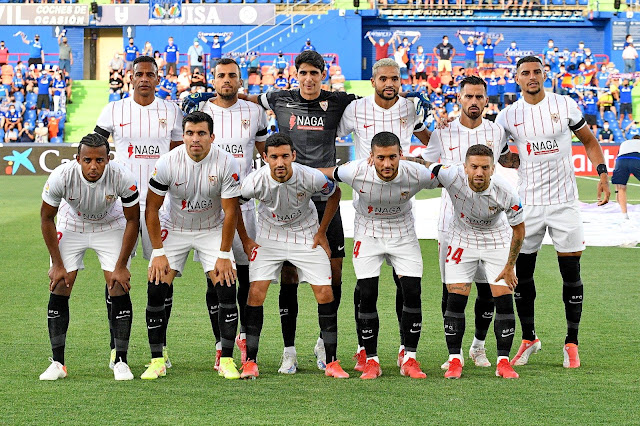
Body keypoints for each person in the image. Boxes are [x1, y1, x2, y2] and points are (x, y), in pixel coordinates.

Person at [238, 50, 358, 372]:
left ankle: (323, 343)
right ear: (296, 74)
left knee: (334, 275)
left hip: (319, 191)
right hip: (287, 193)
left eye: (314, 73)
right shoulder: (278, 98)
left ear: (323, 74)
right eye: (303, 73)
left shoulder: (338, 101)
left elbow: (375, 101)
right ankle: (288, 351)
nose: (308, 79)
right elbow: (242, 97)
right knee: (288, 274)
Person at [496, 56, 611, 369]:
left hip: (564, 202)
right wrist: (511, 161)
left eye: (537, 72)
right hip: (529, 204)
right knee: (523, 275)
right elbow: (497, 152)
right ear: (516, 78)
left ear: (544, 75)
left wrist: (602, 173)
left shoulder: (565, 105)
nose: (532, 77)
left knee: (571, 274)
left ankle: (571, 342)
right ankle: (529, 337)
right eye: (525, 73)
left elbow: (588, 140)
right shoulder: (507, 116)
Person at [336, 58, 431, 369]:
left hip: (400, 199)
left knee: (406, 284)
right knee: (366, 287)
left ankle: (406, 348)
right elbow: (330, 134)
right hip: (367, 200)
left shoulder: (410, 108)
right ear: (373, 81)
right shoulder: (356, 109)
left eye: (395, 79)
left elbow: (428, 139)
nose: (389, 84)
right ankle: (366, 349)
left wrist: (429, 152)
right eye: (383, 79)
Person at [319, 131, 438, 379]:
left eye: (392, 157)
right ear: (371, 157)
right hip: (368, 233)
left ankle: (410, 358)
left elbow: (450, 176)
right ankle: (371, 359)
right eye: (381, 157)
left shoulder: (416, 173)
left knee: (412, 292)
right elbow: (325, 173)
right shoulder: (354, 170)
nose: (387, 164)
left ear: (401, 155)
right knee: (367, 294)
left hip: (403, 234)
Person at [420, 75, 517, 371]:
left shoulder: (496, 131)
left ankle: (478, 345)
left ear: (486, 100)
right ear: (459, 99)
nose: (473, 102)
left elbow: (505, 161)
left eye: (479, 97)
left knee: (489, 289)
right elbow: (428, 168)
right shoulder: (443, 132)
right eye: (468, 97)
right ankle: (455, 353)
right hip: (451, 224)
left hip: (489, 224)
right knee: (452, 289)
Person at [95, 55, 183, 371]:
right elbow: (94, 147)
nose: (144, 78)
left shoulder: (171, 110)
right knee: (116, 277)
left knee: (161, 279)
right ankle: (116, 349)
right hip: (122, 206)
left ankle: (159, 348)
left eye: (150, 74)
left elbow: (178, 155)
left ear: (158, 79)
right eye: (139, 74)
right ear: (131, 78)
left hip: (161, 206)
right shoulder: (114, 110)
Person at [238, 132, 348, 379]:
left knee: (325, 292)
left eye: (285, 156)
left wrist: (321, 232)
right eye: (274, 157)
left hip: (305, 236)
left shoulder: (309, 175)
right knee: (256, 292)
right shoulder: (254, 181)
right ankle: (251, 362)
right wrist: (246, 239)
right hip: (270, 237)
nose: (280, 162)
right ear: (264, 157)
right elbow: (234, 203)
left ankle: (332, 362)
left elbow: (335, 193)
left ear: (293, 156)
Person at [142, 111, 242, 380]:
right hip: (174, 228)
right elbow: (151, 209)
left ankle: (227, 359)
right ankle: (156, 359)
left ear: (212, 136)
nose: (195, 139)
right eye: (189, 133)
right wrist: (159, 252)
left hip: (211, 229)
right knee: (156, 288)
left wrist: (223, 254)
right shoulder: (167, 163)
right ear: (183, 135)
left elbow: (231, 212)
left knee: (226, 286)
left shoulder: (227, 162)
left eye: (201, 133)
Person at [38, 134, 140, 381]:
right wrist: (57, 264)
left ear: (108, 159)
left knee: (117, 285)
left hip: (111, 223)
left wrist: (121, 266)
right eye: (87, 160)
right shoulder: (62, 176)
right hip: (72, 223)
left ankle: (121, 361)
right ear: (77, 160)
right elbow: (46, 218)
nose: (93, 166)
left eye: (99, 160)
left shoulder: (122, 176)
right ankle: (58, 363)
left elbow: (132, 220)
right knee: (60, 285)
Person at [427, 144, 524, 380]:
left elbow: (519, 231)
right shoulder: (451, 174)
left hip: (496, 240)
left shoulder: (506, 191)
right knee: (456, 298)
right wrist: (400, 158)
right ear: (465, 167)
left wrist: (510, 266)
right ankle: (454, 360)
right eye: (474, 167)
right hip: (461, 238)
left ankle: (503, 362)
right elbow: (422, 165)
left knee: (502, 298)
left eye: (484, 167)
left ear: (492, 169)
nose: (479, 172)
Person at [199, 58, 269, 369]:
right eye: (221, 76)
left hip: (245, 206)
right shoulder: (202, 113)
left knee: (246, 277)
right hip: (211, 211)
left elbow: (265, 155)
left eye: (232, 76)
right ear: (212, 80)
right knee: (216, 280)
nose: (227, 80)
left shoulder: (255, 113)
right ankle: (220, 343)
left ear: (241, 80)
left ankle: (243, 339)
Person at [612, 135, 640, 220]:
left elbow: (615, 164)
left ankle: (625, 215)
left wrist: (616, 191)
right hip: (636, 158)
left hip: (621, 160)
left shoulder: (624, 143)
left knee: (621, 187)